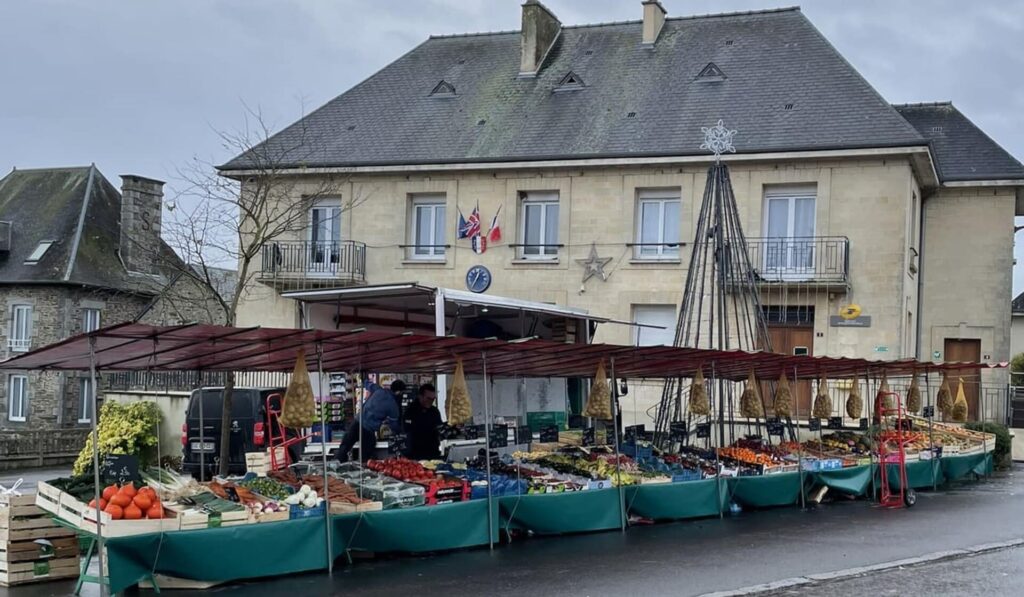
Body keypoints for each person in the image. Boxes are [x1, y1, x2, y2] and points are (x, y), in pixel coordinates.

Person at [336, 379, 405, 463]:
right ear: (399, 392)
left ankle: (337, 467)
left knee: (344, 447)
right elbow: (394, 425)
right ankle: (363, 472)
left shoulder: (378, 390)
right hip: (368, 430)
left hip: (356, 422)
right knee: (365, 457)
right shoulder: (393, 406)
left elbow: (367, 383)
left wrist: (364, 378)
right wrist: (401, 432)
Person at [402, 383, 442, 460]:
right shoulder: (410, 411)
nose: (430, 401)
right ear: (420, 396)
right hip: (415, 454)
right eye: (428, 398)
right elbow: (407, 430)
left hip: (432, 453)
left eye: (433, 399)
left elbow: (439, 427)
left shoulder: (434, 411)